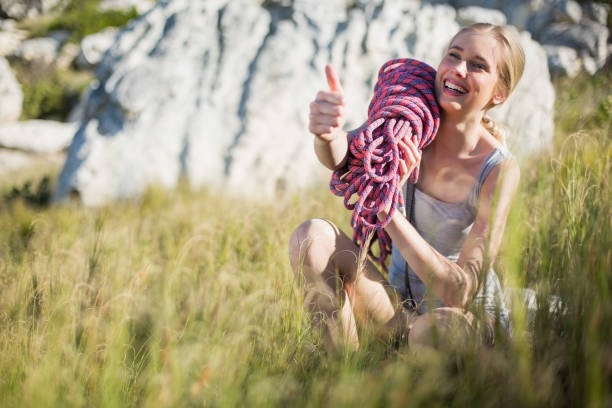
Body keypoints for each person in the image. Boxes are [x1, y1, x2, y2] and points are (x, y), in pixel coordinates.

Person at [288, 23, 525, 350]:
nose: (457, 69)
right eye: (453, 56)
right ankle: (347, 376)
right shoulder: (412, 120)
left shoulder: (498, 168)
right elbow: (343, 156)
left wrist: (389, 210)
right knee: (310, 237)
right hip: (398, 309)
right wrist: (327, 134)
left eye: (477, 65)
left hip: (461, 318)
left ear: (499, 92)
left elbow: (463, 289)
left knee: (429, 333)